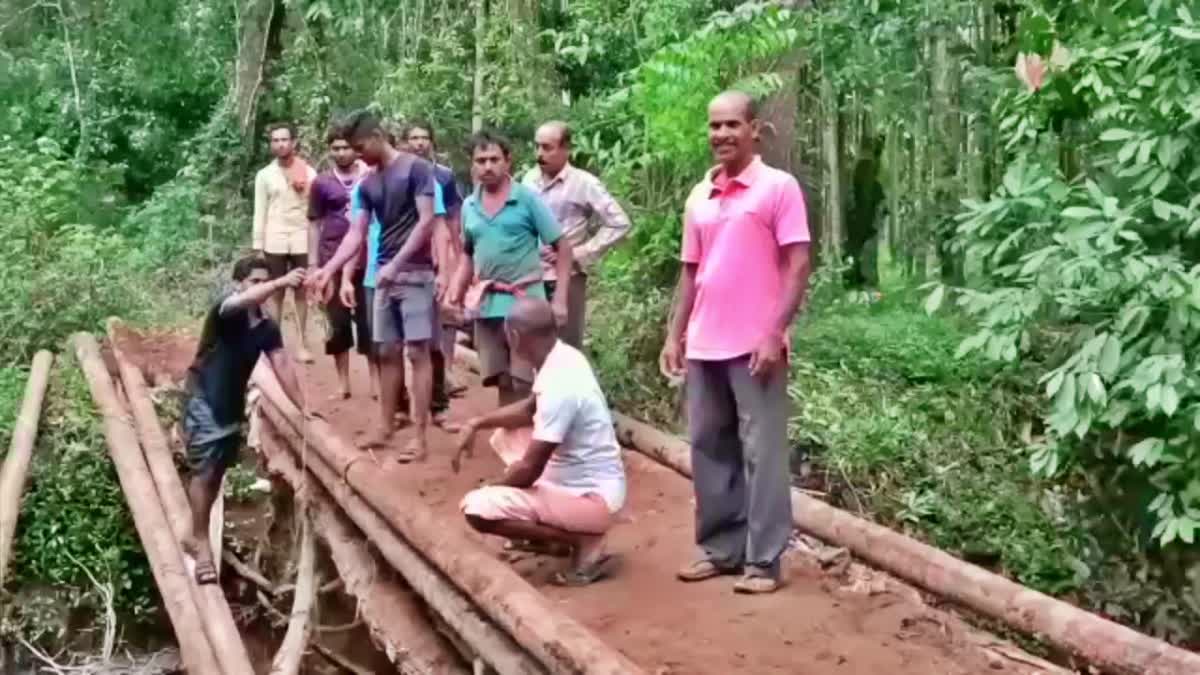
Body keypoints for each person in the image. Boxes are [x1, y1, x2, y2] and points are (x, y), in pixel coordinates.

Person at [659, 91, 812, 595]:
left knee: (762, 452)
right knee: (708, 446)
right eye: (714, 126)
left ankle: (764, 561)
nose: (721, 135)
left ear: (754, 129)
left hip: (754, 345)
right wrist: (674, 334)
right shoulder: (699, 195)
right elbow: (690, 272)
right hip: (704, 343)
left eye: (731, 125)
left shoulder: (778, 187)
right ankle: (721, 549)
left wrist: (774, 332)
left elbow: (797, 265)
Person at [458, 297, 625, 586]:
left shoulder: (560, 384)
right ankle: (553, 534)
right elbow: (528, 409)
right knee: (505, 436)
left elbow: (529, 470)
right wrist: (478, 423)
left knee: (477, 508)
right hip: (592, 479)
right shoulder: (563, 356)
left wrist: (494, 486)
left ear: (515, 337)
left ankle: (582, 541)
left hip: (592, 499)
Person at [311, 111, 437, 462]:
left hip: (414, 274)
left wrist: (396, 265)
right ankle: (384, 425)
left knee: (417, 352)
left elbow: (426, 222)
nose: (358, 154)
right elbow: (357, 231)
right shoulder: (367, 184)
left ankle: (420, 435)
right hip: (382, 276)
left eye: (361, 146)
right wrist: (329, 270)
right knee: (386, 352)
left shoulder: (416, 169)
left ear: (379, 135)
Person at [181, 256, 306, 584]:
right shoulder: (226, 311)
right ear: (240, 284)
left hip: (230, 406)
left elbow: (282, 365)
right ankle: (200, 541)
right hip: (203, 400)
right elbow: (240, 302)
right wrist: (279, 282)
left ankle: (194, 533)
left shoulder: (267, 326)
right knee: (205, 471)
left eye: (265, 280)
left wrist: (304, 410)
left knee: (217, 473)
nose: (261, 287)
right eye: (255, 281)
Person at [448, 130, 573, 405]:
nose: (488, 166)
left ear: (508, 161)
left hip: (526, 304)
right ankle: (510, 439)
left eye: (494, 159)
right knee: (500, 377)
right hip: (487, 303)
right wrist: (455, 293)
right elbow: (468, 255)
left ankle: (537, 439)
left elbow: (563, 248)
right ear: (472, 164)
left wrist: (560, 300)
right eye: (481, 160)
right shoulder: (469, 206)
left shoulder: (527, 200)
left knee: (526, 378)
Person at [522, 121, 632, 348]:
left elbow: (619, 223)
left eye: (547, 147)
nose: (539, 154)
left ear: (566, 149)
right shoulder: (528, 180)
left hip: (567, 277)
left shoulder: (584, 183)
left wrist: (579, 252)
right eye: (537, 147)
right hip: (529, 276)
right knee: (531, 347)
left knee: (566, 347)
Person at [403, 122, 465, 421]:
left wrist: (456, 256)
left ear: (432, 141)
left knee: (442, 326)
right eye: (413, 138)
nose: (418, 143)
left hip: (439, 257)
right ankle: (409, 400)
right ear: (405, 143)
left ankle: (442, 387)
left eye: (423, 137)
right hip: (407, 262)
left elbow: (452, 220)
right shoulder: (399, 176)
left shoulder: (444, 176)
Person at [308, 125, 371, 399]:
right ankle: (343, 383)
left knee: (369, 324)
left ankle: (378, 383)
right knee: (337, 323)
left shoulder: (370, 178)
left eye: (346, 147)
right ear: (329, 150)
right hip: (331, 258)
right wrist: (313, 264)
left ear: (356, 149)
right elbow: (314, 224)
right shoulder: (321, 183)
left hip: (369, 259)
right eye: (336, 148)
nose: (342, 153)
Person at [253, 122, 317, 363]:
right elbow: (260, 211)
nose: (280, 144)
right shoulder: (265, 175)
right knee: (275, 293)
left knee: (301, 293)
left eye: (284, 140)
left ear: (294, 142)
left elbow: (315, 211)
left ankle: (302, 345)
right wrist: (258, 246)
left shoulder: (309, 173)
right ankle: (273, 344)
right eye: (275, 140)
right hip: (275, 239)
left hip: (301, 237)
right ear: (271, 145)